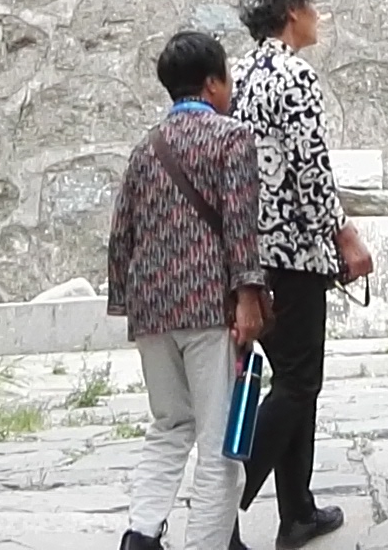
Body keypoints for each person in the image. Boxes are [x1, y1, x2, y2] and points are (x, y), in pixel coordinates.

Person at [106, 28, 270, 550]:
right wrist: (248, 297)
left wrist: (126, 302)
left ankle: (141, 533)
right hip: (208, 309)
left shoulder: (144, 149)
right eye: (227, 79)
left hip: (152, 311)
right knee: (220, 445)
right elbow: (242, 226)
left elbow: (122, 233)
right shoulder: (231, 138)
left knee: (169, 424)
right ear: (212, 82)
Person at [232, 0, 374, 548]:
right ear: (292, 12)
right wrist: (343, 235)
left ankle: (298, 511)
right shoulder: (295, 77)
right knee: (297, 382)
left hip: (245, 253)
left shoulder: (235, 76)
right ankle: (222, 502)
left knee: (290, 380)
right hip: (292, 253)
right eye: (312, 5)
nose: (319, 15)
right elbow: (311, 170)